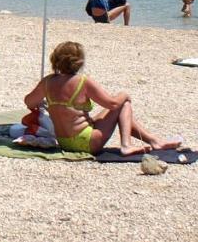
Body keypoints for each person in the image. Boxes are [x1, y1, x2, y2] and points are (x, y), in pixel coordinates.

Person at [23, 41, 181, 156]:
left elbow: (29, 102)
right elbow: (112, 104)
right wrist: (124, 94)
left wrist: (46, 101)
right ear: (79, 62)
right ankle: (127, 145)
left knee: (117, 111)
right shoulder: (83, 81)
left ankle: (154, 140)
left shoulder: (48, 81)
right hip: (87, 142)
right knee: (122, 103)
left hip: (64, 141)